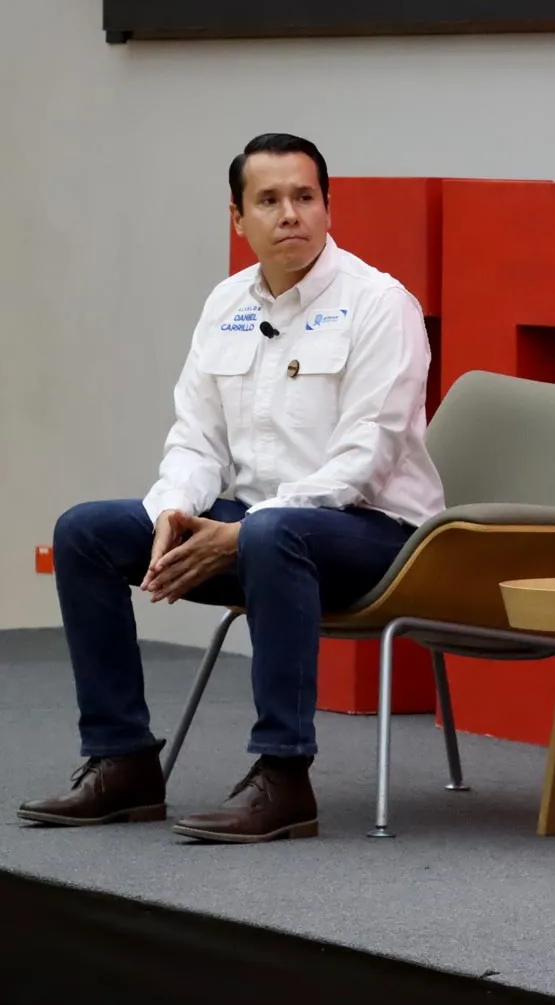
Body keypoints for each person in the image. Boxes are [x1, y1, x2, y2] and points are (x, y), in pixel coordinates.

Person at [18, 133, 444, 845]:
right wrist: (175, 515)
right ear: (237, 218)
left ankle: (283, 776)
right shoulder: (226, 304)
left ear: (329, 208)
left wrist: (242, 533)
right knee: (86, 531)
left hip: (373, 535)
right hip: (251, 528)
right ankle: (121, 759)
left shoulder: (379, 305)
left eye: (305, 197)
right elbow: (196, 440)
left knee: (276, 533)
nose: (289, 214)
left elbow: (363, 461)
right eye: (269, 200)